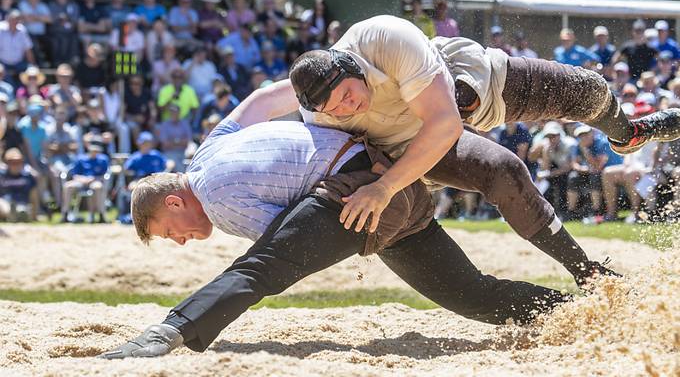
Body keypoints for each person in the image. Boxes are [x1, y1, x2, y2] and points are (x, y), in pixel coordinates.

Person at [99, 112, 573, 360]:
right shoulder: (211, 147)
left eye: (168, 231)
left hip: (358, 189)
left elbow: (281, 250)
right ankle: (576, 310)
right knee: (471, 292)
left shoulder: (214, 194)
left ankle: (170, 331)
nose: (179, 241)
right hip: (392, 187)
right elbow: (265, 96)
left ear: (174, 201)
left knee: (261, 268)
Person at [230, 15, 657, 285]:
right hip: (414, 148)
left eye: (347, 94)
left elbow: (448, 119)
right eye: (333, 108)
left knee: (591, 92)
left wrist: (385, 187)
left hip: (470, 89)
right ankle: (588, 273)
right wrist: (222, 144)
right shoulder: (317, 114)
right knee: (504, 170)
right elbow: (266, 100)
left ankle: (628, 132)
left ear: (350, 67)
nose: (346, 108)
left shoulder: (383, 37)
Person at [60, 139, 109, 223]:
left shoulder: (103, 159)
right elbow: (75, 175)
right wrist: (83, 179)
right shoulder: (80, 158)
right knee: (68, 186)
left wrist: (93, 179)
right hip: (81, 181)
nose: (94, 151)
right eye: (92, 149)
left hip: (95, 181)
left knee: (97, 187)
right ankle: (65, 214)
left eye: (96, 149)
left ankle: (101, 215)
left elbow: (104, 175)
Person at [157, 104, 191, 172]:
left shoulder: (185, 123)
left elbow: (188, 141)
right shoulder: (165, 125)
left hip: (183, 151)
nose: (174, 114)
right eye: (172, 112)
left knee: (191, 152)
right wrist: (180, 141)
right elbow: (165, 144)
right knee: (173, 163)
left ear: (179, 113)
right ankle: (184, 176)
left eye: (175, 112)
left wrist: (173, 141)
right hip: (169, 152)